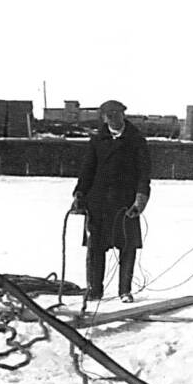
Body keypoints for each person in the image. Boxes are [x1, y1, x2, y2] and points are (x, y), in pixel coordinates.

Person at [72, 100, 151, 303]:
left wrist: (140, 199)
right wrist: (79, 194)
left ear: (124, 115)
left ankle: (125, 291)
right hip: (98, 203)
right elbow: (87, 170)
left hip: (126, 203)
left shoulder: (136, 140)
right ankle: (94, 290)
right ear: (103, 117)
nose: (113, 118)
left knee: (128, 248)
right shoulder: (97, 140)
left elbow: (144, 173)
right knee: (95, 248)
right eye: (109, 115)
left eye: (116, 114)